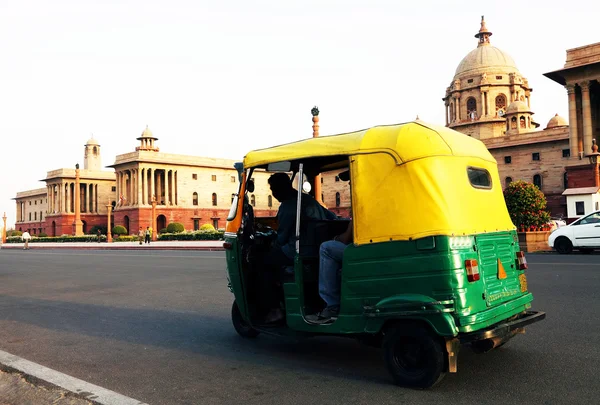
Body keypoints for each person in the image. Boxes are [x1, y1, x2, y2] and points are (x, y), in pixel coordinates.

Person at [261, 172, 335, 323]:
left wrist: (269, 239)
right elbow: (333, 218)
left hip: (298, 251)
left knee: (264, 265)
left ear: (281, 189)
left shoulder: (288, 207)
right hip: (318, 249)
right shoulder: (310, 200)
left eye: (274, 190)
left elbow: (281, 238)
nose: (274, 194)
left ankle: (275, 309)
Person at [306, 220, 353, 324]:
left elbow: (345, 239)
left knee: (326, 248)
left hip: (364, 249)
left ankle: (332, 306)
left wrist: (335, 238)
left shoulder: (361, 212)